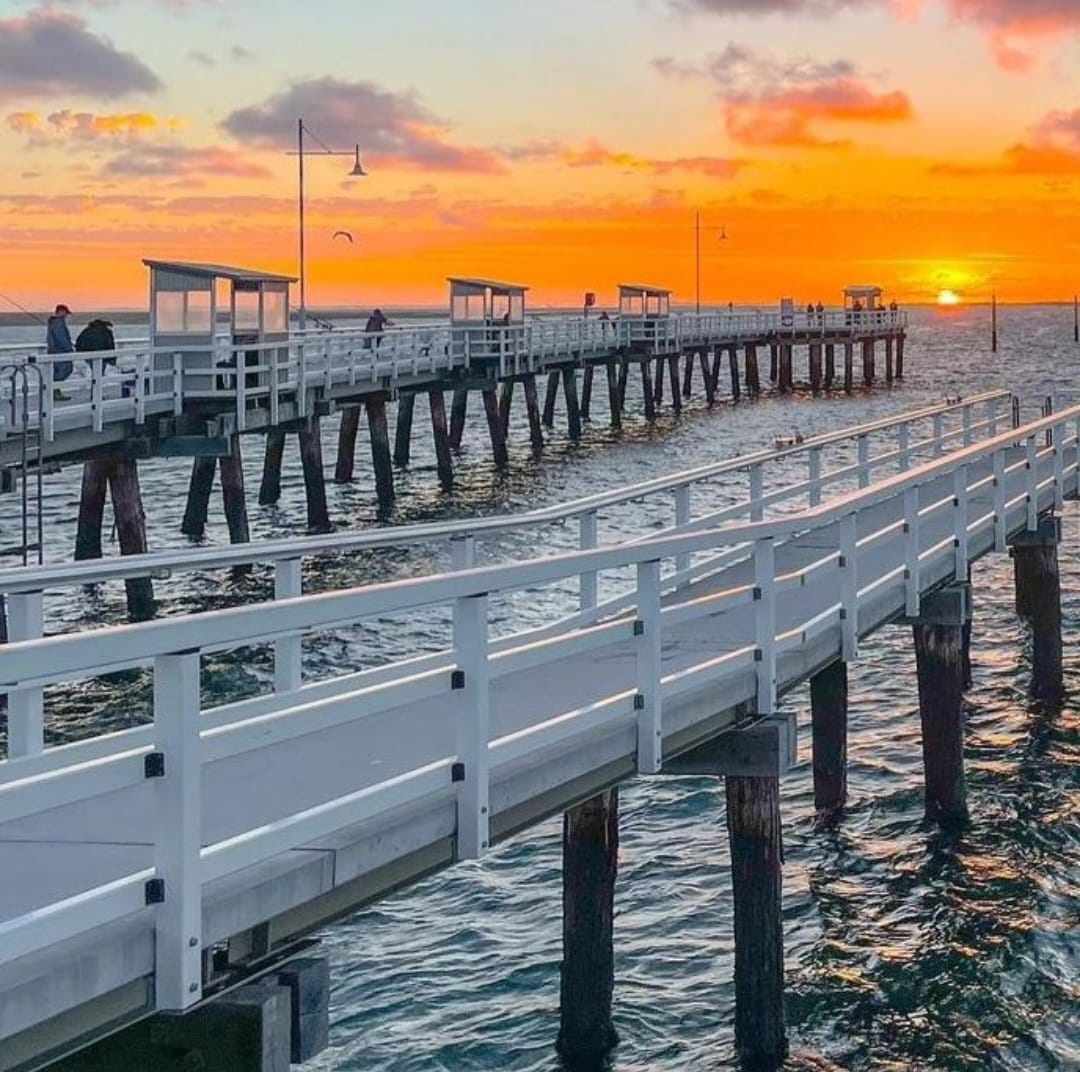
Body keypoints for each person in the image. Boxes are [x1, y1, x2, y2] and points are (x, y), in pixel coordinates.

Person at [46, 303, 74, 399]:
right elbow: (61, 338)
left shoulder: (53, 322)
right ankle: (54, 391)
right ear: (61, 312)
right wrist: (69, 349)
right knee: (66, 370)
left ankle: (55, 391)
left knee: (58, 372)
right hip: (60, 352)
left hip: (54, 351)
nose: (66, 315)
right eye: (66, 313)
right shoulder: (58, 323)